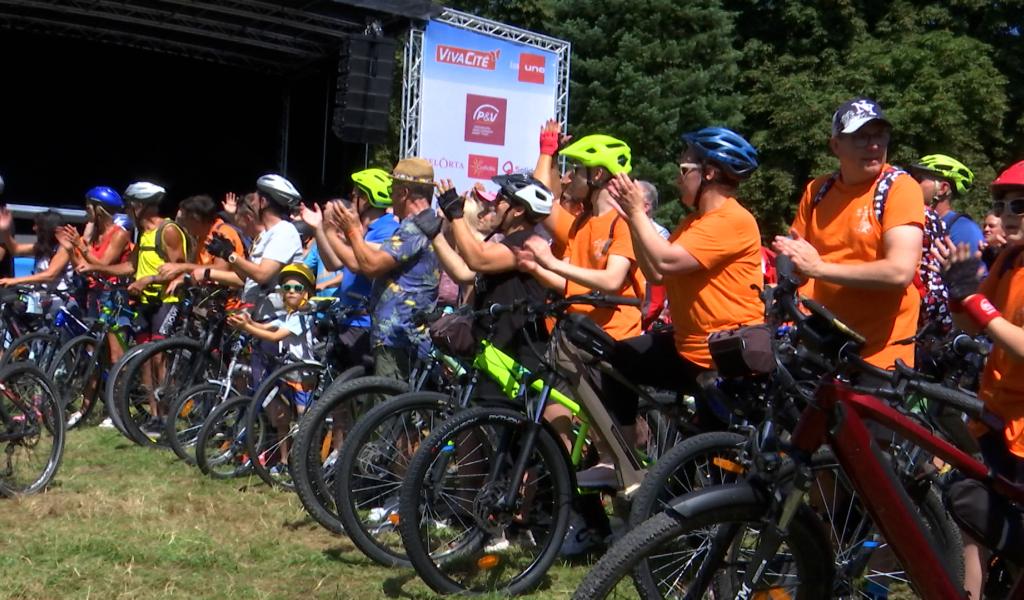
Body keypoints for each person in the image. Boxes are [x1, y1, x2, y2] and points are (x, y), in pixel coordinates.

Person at [582, 127, 764, 489]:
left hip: (723, 362)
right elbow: (654, 271)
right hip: (688, 351)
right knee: (619, 357)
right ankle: (622, 460)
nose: (679, 179)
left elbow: (664, 259)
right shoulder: (692, 221)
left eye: (684, 170)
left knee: (718, 478)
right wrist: (632, 217)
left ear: (707, 173)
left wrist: (636, 212)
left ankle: (711, 534)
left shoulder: (732, 220)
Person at [773, 97, 924, 370]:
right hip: (822, 345)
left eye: (880, 135)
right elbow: (795, 257)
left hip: (879, 357)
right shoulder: (817, 191)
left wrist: (821, 268)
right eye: (861, 137)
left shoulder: (900, 188)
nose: (874, 145)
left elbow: (899, 273)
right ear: (835, 145)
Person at [936, 159, 1024, 600]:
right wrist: (958, 291)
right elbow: (971, 325)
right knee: (974, 518)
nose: (1007, 213)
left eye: (1020, 205)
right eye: (1002, 203)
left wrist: (974, 301)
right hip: (995, 418)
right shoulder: (1009, 260)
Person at [520, 132, 645, 342]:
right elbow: (567, 281)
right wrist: (536, 266)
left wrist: (550, 262)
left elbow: (612, 280)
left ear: (596, 174)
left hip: (613, 338)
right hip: (578, 331)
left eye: (577, 169)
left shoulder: (622, 221)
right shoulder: (581, 223)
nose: (570, 176)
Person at [321, 159, 439, 380]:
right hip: (393, 333)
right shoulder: (415, 224)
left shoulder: (416, 227)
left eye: (393, 190)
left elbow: (370, 265)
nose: (390, 197)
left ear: (404, 193)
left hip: (399, 334)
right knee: (377, 409)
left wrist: (353, 231)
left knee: (389, 409)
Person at [299, 168, 400, 365]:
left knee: (353, 393)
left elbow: (355, 265)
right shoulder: (365, 230)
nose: (351, 199)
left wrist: (329, 230)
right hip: (347, 320)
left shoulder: (387, 230)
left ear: (367, 199)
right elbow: (333, 262)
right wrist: (318, 228)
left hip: (365, 325)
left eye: (354, 194)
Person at [226, 263, 318, 475]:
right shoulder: (287, 316)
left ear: (308, 293)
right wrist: (248, 321)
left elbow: (275, 336)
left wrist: (247, 328)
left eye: (298, 288)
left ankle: (303, 466)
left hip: (303, 376)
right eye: (287, 288)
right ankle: (284, 461)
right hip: (288, 373)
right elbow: (266, 327)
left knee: (304, 423)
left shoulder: (302, 317)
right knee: (282, 419)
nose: (292, 292)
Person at [205, 175, 303, 315]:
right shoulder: (265, 236)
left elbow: (262, 275)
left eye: (254, 199)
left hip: (275, 322)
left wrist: (229, 254)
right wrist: (226, 254)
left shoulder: (284, 231)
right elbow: (247, 277)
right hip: (255, 318)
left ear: (263, 202)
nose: (251, 203)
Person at [59, 186, 132, 318]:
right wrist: (70, 250)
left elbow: (103, 265)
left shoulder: (119, 234)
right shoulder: (96, 235)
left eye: (88, 207)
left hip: (112, 293)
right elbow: (84, 268)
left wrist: (81, 245)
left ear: (99, 210)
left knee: (109, 336)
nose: (86, 211)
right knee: (94, 336)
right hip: (94, 292)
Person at [0, 209, 75, 312]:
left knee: (24, 313)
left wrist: (15, 280)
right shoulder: (42, 247)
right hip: (40, 296)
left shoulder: (64, 249)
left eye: (37, 225)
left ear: (46, 229)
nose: (34, 228)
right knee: (9, 307)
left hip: (58, 299)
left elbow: (50, 275)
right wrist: (5, 230)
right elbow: (16, 250)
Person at [909, 154, 983, 251]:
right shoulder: (913, 220)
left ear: (943, 188)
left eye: (918, 179)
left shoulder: (964, 229)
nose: (911, 183)